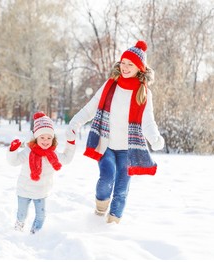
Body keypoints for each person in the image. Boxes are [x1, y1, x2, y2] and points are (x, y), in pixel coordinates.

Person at [67, 40, 164, 224]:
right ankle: (99, 208)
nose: (125, 67)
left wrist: (155, 139)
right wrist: (75, 122)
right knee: (107, 177)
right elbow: (90, 108)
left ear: (139, 68)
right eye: (123, 63)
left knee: (121, 188)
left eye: (130, 64)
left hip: (128, 149)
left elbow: (147, 121)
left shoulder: (143, 92)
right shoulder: (111, 85)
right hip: (107, 145)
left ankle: (112, 225)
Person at [7, 111, 76, 234]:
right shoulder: (28, 152)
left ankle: (35, 234)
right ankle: (17, 230)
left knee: (41, 216)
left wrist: (70, 144)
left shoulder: (52, 154)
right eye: (42, 137)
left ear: (53, 139)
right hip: (24, 190)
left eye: (49, 138)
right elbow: (14, 162)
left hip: (41, 191)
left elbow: (66, 159)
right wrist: (12, 150)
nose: (45, 141)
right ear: (36, 138)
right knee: (22, 214)